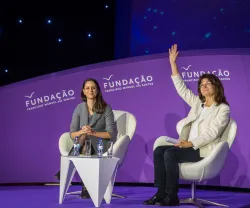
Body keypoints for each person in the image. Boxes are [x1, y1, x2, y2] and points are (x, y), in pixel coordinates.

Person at [143, 44, 230, 206]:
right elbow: (182, 90)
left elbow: (213, 132)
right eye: (201, 84)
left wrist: (190, 143)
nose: (203, 87)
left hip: (203, 150)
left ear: (216, 86)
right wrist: (173, 64)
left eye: (208, 84)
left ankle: (172, 195)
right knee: (159, 150)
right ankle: (160, 193)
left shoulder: (223, 109)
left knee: (170, 153)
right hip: (189, 146)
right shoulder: (199, 103)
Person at [55, 78, 117, 198]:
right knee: (84, 139)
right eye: (87, 88)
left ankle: (67, 169)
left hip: (100, 144)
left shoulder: (106, 108)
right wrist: (81, 131)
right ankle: (86, 187)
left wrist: (93, 133)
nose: (90, 90)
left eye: (93, 88)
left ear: (97, 90)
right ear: (83, 91)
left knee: (87, 136)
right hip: (84, 144)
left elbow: (111, 133)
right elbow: (72, 134)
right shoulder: (79, 108)